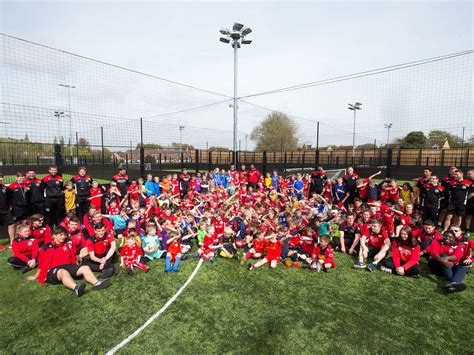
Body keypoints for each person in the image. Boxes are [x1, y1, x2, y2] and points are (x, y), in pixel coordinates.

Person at [30, 226, 111, 297]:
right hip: (53, 270)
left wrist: (77, 260)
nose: (63, 237)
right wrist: (36, 275)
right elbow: (41, 263)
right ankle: (76, 288)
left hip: (68, 266)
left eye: (64, 235)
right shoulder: (45, 247)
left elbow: (74, 254)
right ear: (54, 236)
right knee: (63, 272)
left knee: (85, 267)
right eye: (61, 235)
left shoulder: (68, 242)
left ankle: (97, 283)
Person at [0, 173, 15, 248]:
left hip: (5, 210)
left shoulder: (5, 188)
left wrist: (10, 205)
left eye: (0, 177)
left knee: (11, 224)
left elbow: (10, 197)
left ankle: (12, 242)